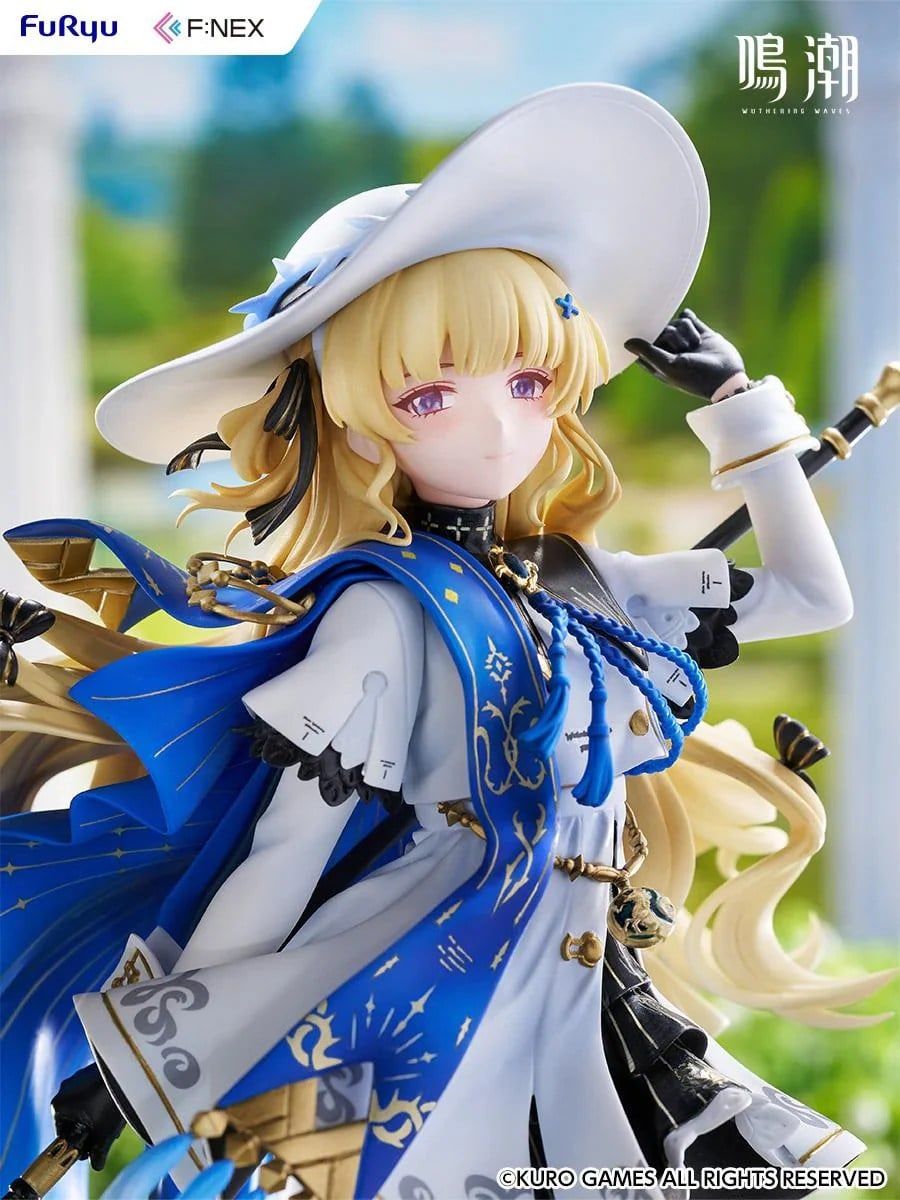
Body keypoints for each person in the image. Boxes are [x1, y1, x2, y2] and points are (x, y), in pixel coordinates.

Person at [0, 84, 889, 1200]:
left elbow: (811, 598)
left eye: (530, 380)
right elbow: (284, 856)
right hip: (426, 1005)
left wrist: (741, 410)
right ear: (354, 410)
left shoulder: (578, 583)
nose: (501, 423)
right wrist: (144, 1057)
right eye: (431, 393)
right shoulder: (385, 611)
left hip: (593, 995)